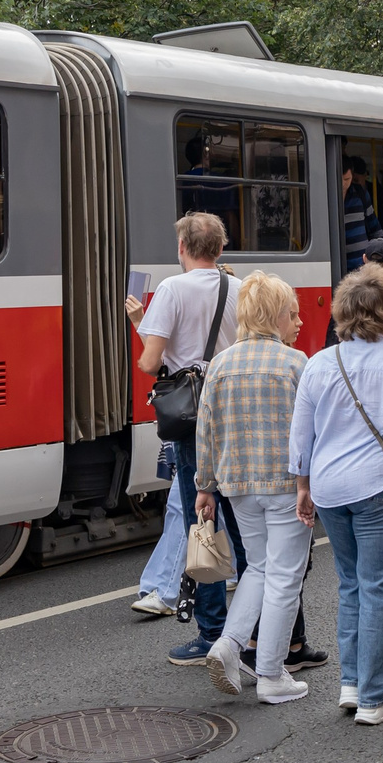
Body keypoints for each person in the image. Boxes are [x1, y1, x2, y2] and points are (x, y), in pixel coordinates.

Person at [292, 265, 383, 724]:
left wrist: (303, 486)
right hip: (378, 485)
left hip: (330, 489)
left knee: (350, 584)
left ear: (342, 311)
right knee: (377, 588)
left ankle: (350, 685)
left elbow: (301, 437)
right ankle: (374, 699)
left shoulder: (319, 363)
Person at [195, 272, 314, 705]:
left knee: (259, 568)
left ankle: (227, 645)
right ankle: (270, 674)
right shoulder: (296, 363)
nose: (298, 322)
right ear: (274, 316)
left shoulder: (221, 365)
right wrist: (310, 481)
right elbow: (308, 431)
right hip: (286, 483)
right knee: (286, 576)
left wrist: (204, 486)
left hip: (238, 485)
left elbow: (205, 431)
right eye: (292, 313)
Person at [124, 212, 240, 635]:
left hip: (194, 419)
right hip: (233, 410)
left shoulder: (172, 289)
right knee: (237, 514)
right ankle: (250, 621)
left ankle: (210, 629)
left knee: (200, 518)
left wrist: (141, 328)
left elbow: (152, 363)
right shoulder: (240, 288)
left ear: (181, 248)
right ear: (221, 248)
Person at [339, 160, 383, 269]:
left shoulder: (360, 193)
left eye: (347, 179)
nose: (344, 184)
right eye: (340, 179)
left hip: (362, 266)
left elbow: (375, 228)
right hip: (336, 267)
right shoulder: (325, 197)